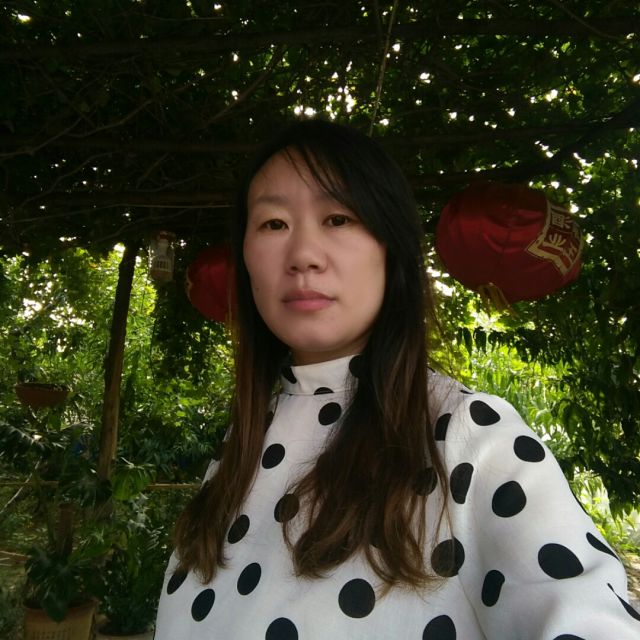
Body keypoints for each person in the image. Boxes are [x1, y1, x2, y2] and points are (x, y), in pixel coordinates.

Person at [154, 119, 639, 639]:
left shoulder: (467, 435)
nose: (303, 256)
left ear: (392, 248)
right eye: (273, 224)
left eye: (338, 219)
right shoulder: (242, 443)